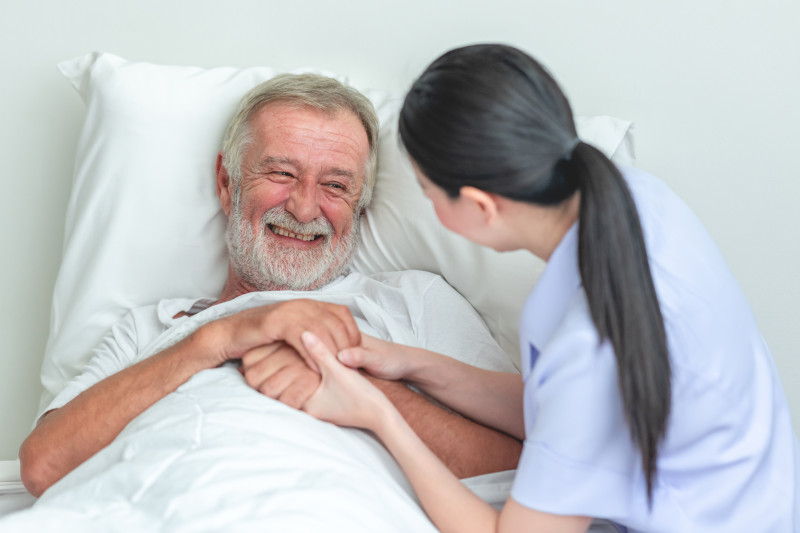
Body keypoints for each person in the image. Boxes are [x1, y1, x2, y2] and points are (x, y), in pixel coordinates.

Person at [292, 44, 800, 532]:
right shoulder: (643, 203)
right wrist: (412, 363)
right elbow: (559, 409)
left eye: (427, 193)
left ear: (480, 207)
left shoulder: (592, 344)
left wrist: (379, 416)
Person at [17, 73, 522, 499]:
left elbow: (530, 471)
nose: (304, 208)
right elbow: (45, 467)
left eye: (336, 186)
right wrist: (217, 339)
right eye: (281, 173)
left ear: (360, 204)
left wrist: (359, 389)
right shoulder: (152, 328)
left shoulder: (411, 302)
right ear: (226, 182)